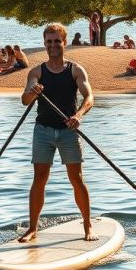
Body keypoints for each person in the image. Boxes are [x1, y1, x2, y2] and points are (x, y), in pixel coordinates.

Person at [18, 22, 95, 243]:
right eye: (49, 42)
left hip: (68, 131)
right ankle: (33, 228)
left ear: (64, 43)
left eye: (56, 41)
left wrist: (78, 116)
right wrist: (33, 92)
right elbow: (25, 100)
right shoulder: (37, 72)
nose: (53, 45)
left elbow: (89, 98)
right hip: (42, 131)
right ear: (44, 44)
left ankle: (87, 226)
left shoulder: (76, 70)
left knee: (76, 179)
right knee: (39, 179)